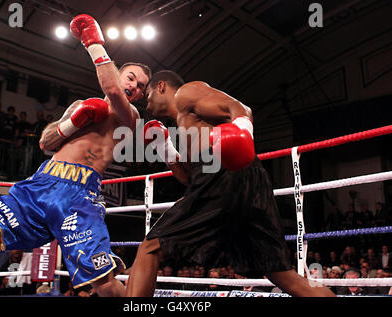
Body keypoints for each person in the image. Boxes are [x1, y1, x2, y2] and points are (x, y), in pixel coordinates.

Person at [0, 13, 150, 297]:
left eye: (140, 87)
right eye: (132, 78)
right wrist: (73, 122)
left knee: (103, 284)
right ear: (119, 73)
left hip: (78, 195)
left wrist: (93, 43)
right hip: (40, 184)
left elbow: (112, 89)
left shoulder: (129, 116)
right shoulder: (82, 105)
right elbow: (45, 142)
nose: (135, 88)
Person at [125, 70, 335, 297]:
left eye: (147, 92)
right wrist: (165, 146)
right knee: (281, 275)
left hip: (228, 174)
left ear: (162, 86)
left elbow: (240, 109)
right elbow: (190, 179)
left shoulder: (186, 93)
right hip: (240, 179)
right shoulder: (185, 125)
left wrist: (241, 134)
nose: (145, 98)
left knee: (150, 247)